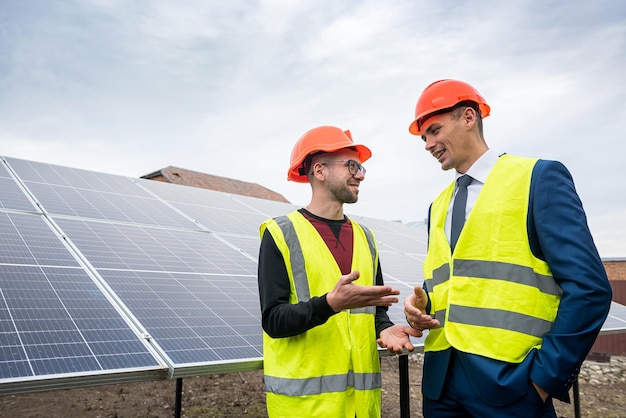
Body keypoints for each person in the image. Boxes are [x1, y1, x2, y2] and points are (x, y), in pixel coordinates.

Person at [403, 79, 613, 417]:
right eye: (424, 137)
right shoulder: (437, 206)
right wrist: (422, 306)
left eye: (434, 130)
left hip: (512, 385)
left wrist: (544, 381)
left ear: (468, 118)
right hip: (440, 385)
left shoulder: (537, 177)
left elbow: (589, 289)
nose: (428, 144)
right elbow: (456, 282)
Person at [258, 125, 422, 418]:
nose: (360, 174)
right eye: (352, 165)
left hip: (362, 407)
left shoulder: (366, 238)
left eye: (361, 168)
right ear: (319, 171)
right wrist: (329, 304)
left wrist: (385, 329)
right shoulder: (281, 233)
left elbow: (375, 312)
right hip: (305, 409)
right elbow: (273, 319)